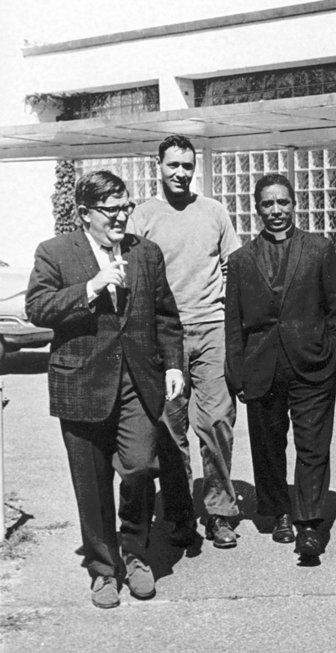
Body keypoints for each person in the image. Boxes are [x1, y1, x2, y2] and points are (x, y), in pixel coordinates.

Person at [26, 171, 184, 608]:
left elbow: (166, 316)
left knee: (138, 468)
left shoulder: (146, 253)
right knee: (91, 484)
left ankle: (135, 553)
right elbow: (37, 307)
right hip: (80, 382)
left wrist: (173, 365)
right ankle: (102, 569)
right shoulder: (55, 253)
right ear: (84, 214)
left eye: (125, 208)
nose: (120, 217)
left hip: (138, 382)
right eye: (110, 210)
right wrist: (90, 288)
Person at [127, 134, 241, 549]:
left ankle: (221, 512)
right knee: (170, 431)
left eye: (187, 166)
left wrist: (228, 311)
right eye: (173, 165)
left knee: (216, 423)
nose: (180, 172)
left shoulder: (213, 211)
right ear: (158, 166)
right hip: (163, 338)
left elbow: (233, 264)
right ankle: (178, 515)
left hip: (211, 328)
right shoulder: (142, 216)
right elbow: (132, 274)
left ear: (195, 168)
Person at [225, 173, 336, 558]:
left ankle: (309, 524)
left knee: (313, 445)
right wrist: (237, 372)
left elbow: (334, 306)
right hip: (262, 367)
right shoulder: (241, 261)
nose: (276, 211)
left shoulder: (319, 249)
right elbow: (234, 322)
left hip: (312, 364)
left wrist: (331, 347)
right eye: (267, 204)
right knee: (269, 445)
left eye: (283, 202)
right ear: (257, 208)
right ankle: (278, 512)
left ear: (295, 204)